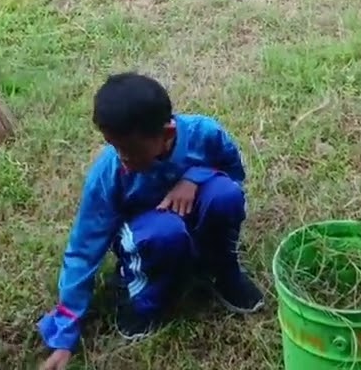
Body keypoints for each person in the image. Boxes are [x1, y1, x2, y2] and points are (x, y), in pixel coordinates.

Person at [37, 73, 264, 370]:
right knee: (165, 232)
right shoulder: (109, 172)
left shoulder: (205, 134)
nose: (122, 158)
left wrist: (195, 178)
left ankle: (220, 271)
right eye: (114, 147)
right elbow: (84, 248)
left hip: (193, 222)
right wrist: (65, 334)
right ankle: (141, 298)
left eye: (130, 151)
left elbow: (234, 173)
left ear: (167, 134)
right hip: (150, 235)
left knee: (225, 195)